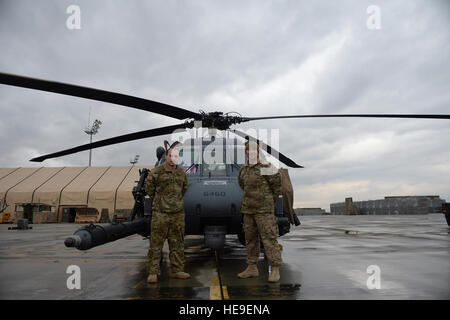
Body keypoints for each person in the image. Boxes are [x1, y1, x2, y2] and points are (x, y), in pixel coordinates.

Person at [237, 140, 283, 282]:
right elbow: (242, 185)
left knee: (269, 239)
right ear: (246, 152)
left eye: (253, 150)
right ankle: (252, 268)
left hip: (264, 211)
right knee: (250, 239)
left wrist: (269, 201)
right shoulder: (243, 170)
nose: (250, 152)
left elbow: (277, 185)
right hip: (248, 210)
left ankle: (275, 269)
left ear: (257, 152)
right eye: (248, 150)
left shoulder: (266, 166)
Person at [145, 142, 190, 283]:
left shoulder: (182, 173)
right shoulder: (156, 172)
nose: (172, 158)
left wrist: (174, 203)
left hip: (177, 214)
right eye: (170, 155)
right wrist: (161, 202)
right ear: (166, 156)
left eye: (175, 156)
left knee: (177, 243)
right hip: (160, 214)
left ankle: (177, 270)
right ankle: (153, 272)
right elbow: (149, 190)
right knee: (156, 244)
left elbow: (184, 190)